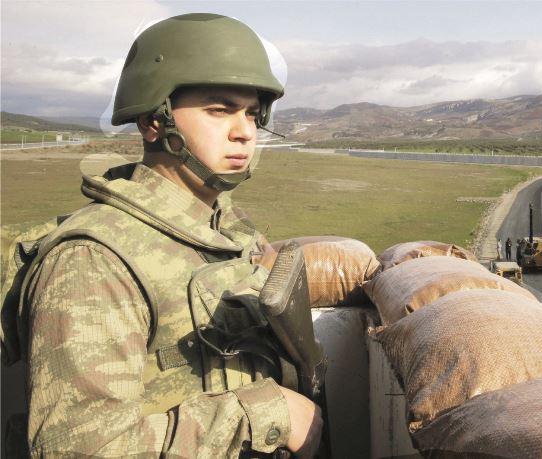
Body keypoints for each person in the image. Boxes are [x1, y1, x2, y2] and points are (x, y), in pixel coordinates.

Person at [18, 13, 323, 457]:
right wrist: (268, 415)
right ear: (153, 122)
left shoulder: (227, 231)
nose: (244, 132)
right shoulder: (94, 260)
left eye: (252, 114)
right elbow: (79, 448)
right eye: (218, 110)